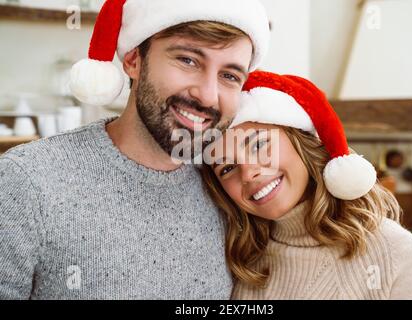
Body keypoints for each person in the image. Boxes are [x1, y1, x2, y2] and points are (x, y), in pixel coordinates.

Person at [0, 0, 270, 299]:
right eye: (188, 60)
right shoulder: (27, 182)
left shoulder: (227, 187)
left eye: (230, 76)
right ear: (133, 61)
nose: (208, 96)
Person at [202, 71, 412, 299]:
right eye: (227, 168)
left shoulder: (397, 254)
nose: (248, 172)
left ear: (300, 141)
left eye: (258, 145)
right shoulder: (241, 262)